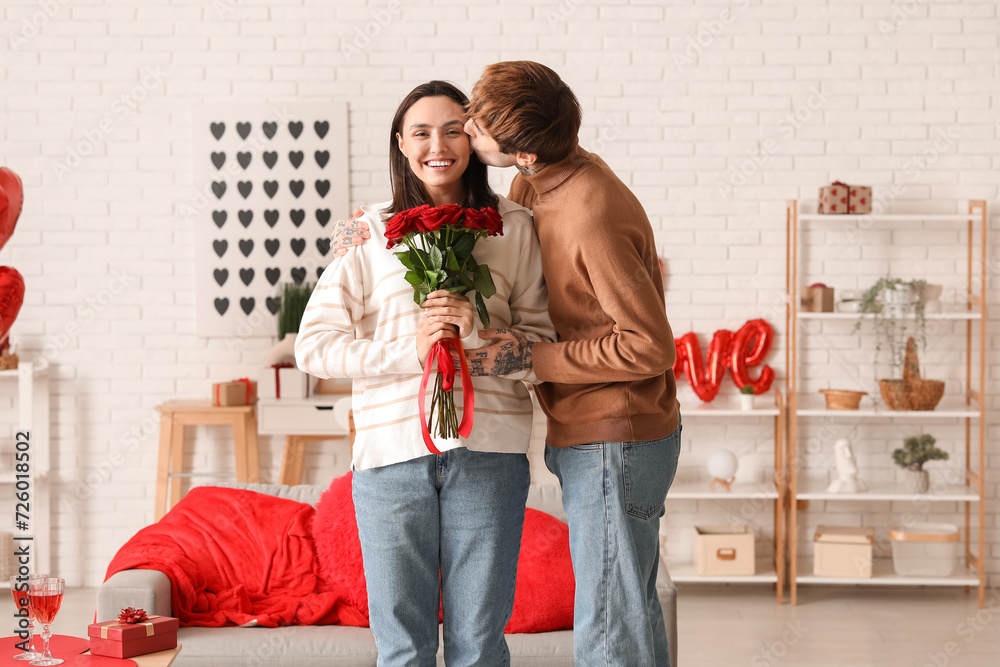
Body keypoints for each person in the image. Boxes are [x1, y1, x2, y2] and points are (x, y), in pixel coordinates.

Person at [331, 62, 681, 667]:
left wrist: (522, 354)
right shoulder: (528, 189)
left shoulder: (587, 212)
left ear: (516, 149)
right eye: (428, 129)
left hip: (615, 434)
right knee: (626, 608)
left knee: (608, 626)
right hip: (579, 429)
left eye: (476, 123)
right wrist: (361, 237)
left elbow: (649, 345)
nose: (464, 128)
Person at [295, 80, 554, 667]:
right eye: (421, 131)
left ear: (474, 138)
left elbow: (545, 347)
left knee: (480, 646)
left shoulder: (514, 225)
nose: (438, 144)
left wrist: (481, 334)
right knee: (402, 648)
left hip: (490, 453)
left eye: (454, 129)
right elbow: (314, 347)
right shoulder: (361, 228)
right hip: (389, 458)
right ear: (401, 143)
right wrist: (407, 353)